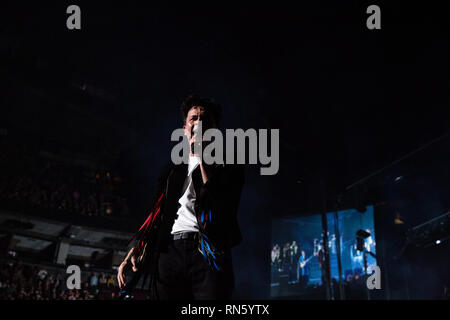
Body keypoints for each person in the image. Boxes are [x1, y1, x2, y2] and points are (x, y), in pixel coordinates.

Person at [117, 95, 245, 300]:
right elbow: (158, 214)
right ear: (185, 128)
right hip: (170, 252)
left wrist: (202, 155)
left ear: (215, 129)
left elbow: (220, 205)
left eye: (205, 119)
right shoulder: (172, 169)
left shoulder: (230, 164)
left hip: (207, 252)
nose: (198, 123)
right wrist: (140, 246)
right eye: (193, 118)